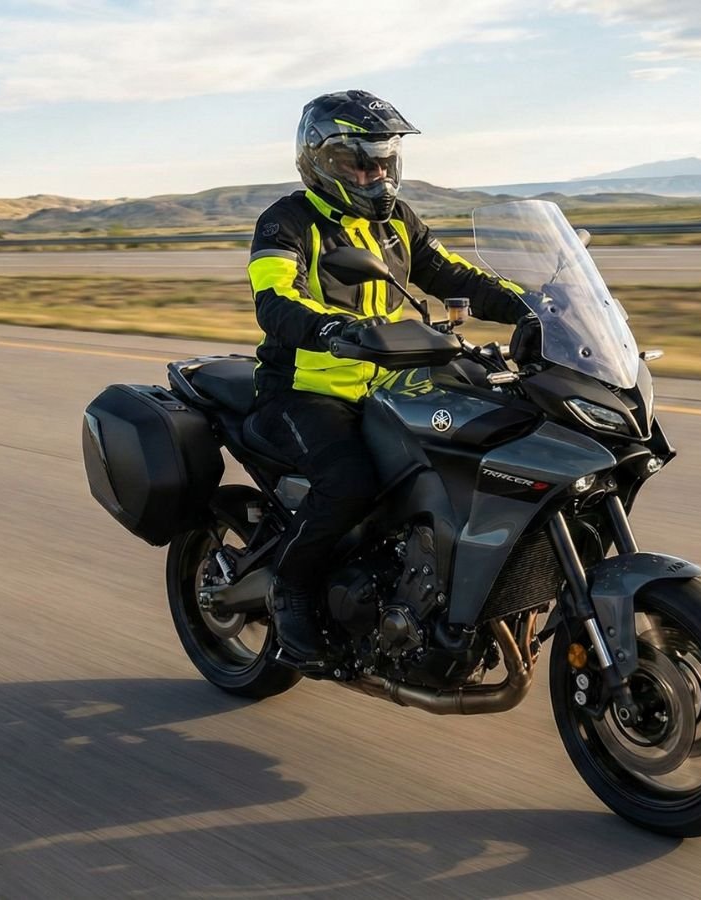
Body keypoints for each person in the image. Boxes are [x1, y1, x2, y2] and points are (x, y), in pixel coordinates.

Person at [246, 89, 534, 665]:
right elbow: (275, 298)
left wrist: (535, 306)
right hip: (305, 390)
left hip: (390, 385)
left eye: (383, 162)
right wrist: (332, 328)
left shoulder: (399, 221)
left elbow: (453, 274)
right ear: (320, 162)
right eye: (359, 163)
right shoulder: (286, 222)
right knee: (349, 483)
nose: (375, 175)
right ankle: (289, 591)